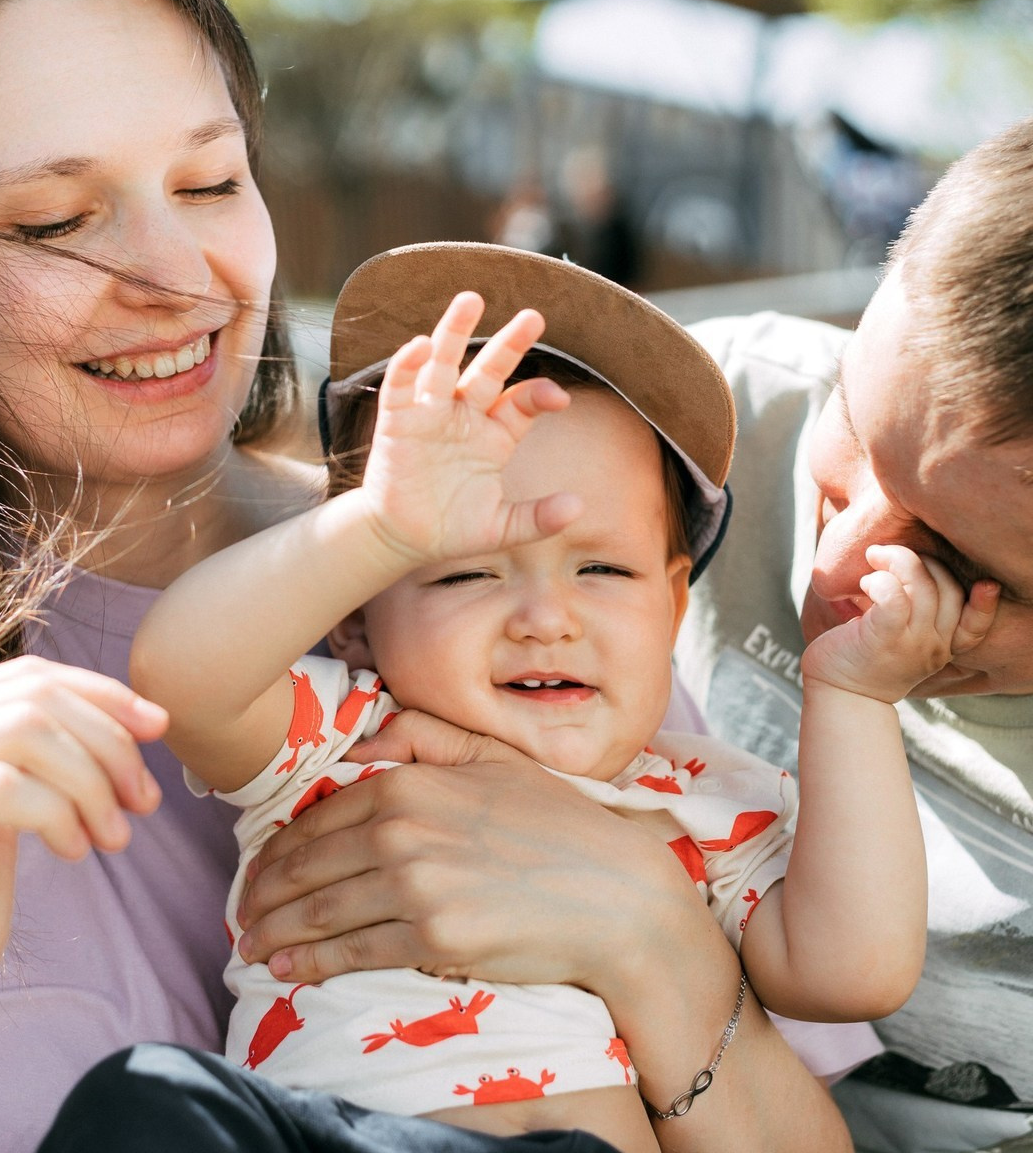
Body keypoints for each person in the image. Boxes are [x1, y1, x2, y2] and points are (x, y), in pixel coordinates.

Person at [0, 0, 863, 1153]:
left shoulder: (500, 576)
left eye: (212, 181)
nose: (180, 279)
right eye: (55, 220)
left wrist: (651, 940)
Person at [49, 244, 988, 1153]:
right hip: (315, 1130)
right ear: (356, 623)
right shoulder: (348, 736)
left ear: (671, 606)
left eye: (602, 568)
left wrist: (854, 695)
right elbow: (180, 677)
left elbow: (853, 969)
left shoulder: (703, 804)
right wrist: (378, 527)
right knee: (142, 1097)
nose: (546, 616)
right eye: (464, 576)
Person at [671, 117, 1033, 1152]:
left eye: (956, 568)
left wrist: (651, 955)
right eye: (848, 433)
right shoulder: (696, 426)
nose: (832, 571)